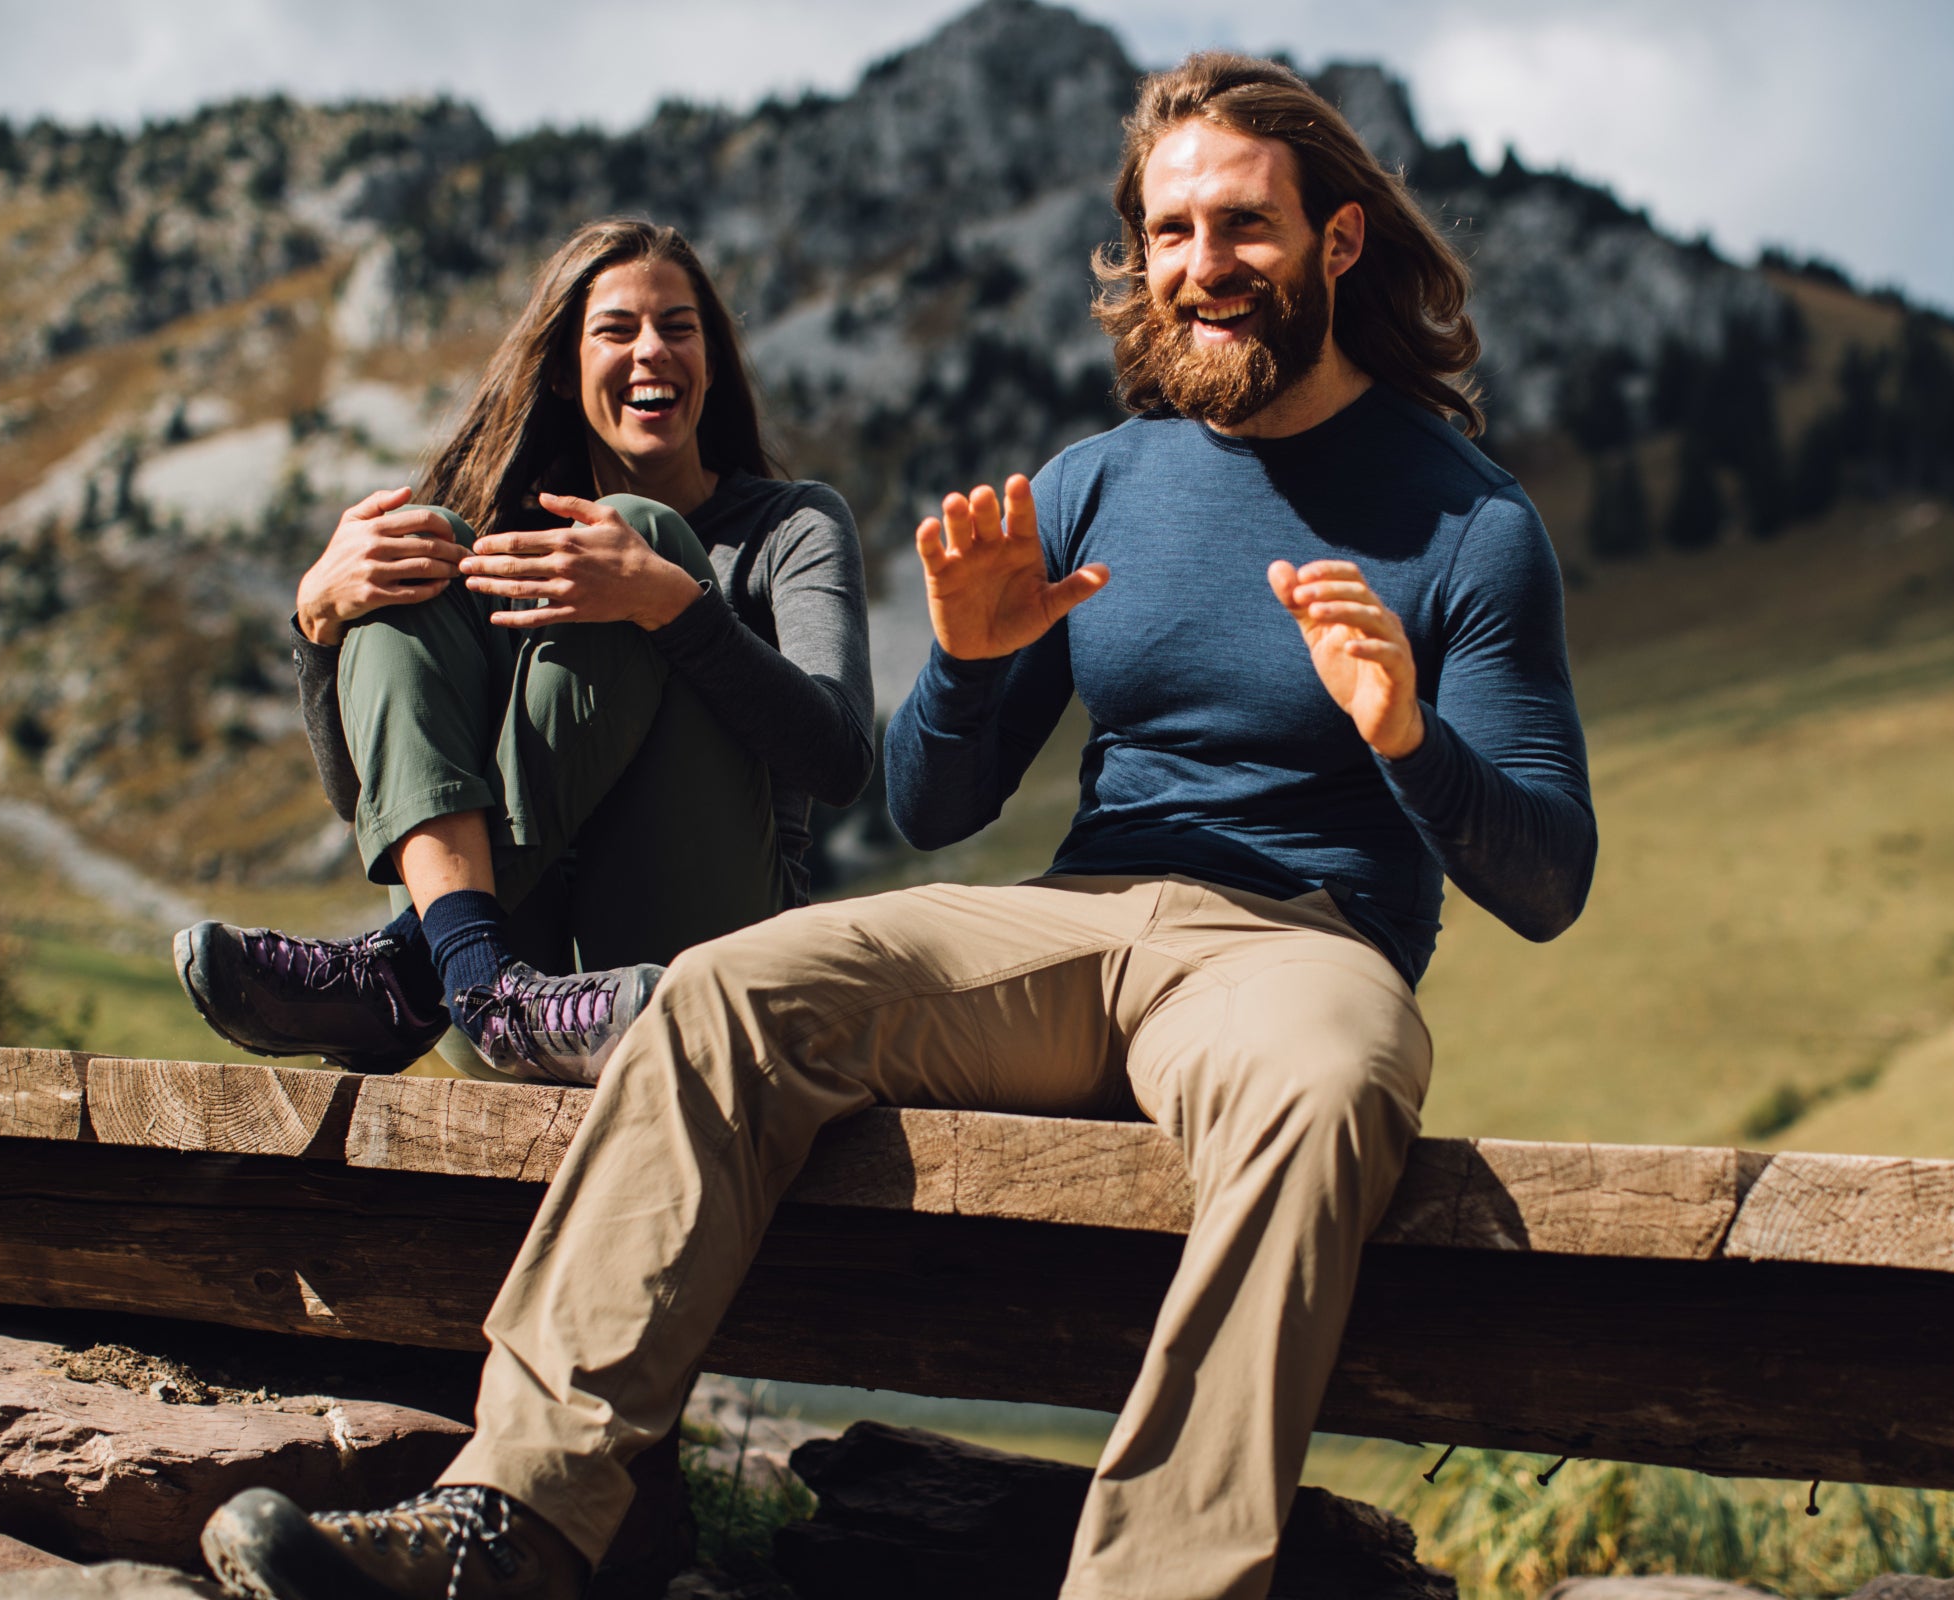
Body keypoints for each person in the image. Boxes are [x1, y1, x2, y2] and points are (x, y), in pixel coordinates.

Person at [202, 52, 1595, 1600]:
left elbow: (1547, 877)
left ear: (1336, 243)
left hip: (1301, 945)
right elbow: (937, 802)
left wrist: (1406, 735)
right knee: (730, 990)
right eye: (1172, 233)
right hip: (1076, 917)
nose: (1205, 269)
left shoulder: (1470, 522)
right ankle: (517, 1519)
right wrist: (972, 664)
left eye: (1245, 229)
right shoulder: (1101, 482)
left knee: (1332, 1087)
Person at [175, 218, 874, 1082]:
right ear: (563, 368)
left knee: (642, 534)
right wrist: (317, 631)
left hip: (697, 963)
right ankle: (483, 982)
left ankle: (415, 969)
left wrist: (672, 606)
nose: (652, 351)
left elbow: (839, 757)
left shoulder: (791, 525)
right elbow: (374, 796)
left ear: (715, 361)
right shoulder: (498, 547)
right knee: (417, 542)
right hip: (527, 993)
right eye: (616, 331)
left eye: (679, 328)